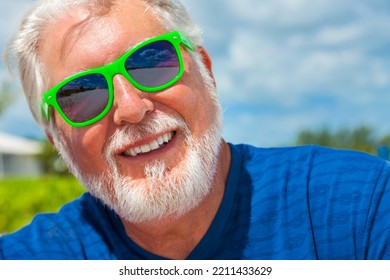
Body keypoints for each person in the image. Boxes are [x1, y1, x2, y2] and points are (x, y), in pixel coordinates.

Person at [1, 0, 389, 260]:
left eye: (152, 61)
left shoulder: (359, 206)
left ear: (207, 73)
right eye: (82, 94)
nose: (132, 110)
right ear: (55, 139)